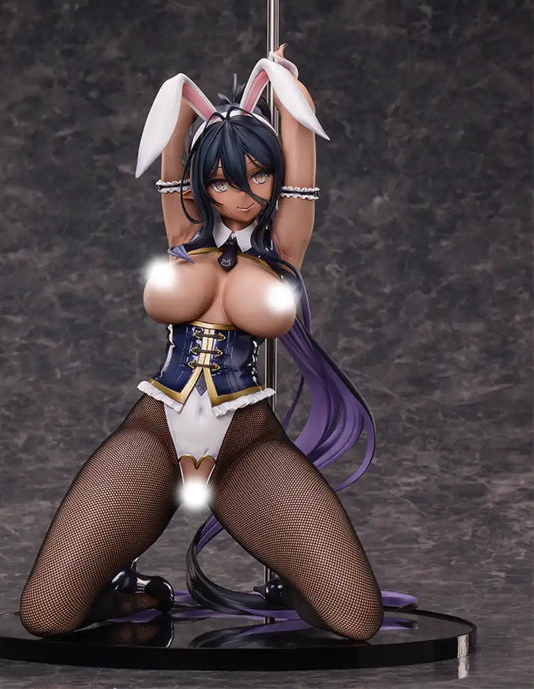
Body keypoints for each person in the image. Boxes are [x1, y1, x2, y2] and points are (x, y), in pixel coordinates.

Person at [19, 46, 384, 642]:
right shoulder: (184, 233)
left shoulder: (281, 248)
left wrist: (287, 88)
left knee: (356, 618)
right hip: (155, 433)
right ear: (202, 182)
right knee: (46, 615)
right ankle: (133, 597)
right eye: (221, 180)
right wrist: (183, 98)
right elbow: (173, 144)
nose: (241, 194)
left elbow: (302, 163)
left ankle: (291, 585)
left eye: (258, 175)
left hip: (245, 445)